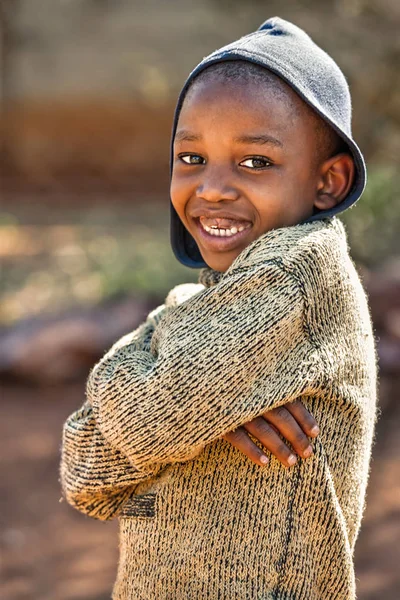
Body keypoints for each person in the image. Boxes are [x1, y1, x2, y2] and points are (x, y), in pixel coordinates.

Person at [60, 17, 378, 599]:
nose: (211, 189)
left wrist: (165, 389)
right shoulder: (211, 302)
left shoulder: (295, 270)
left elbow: (139, 420)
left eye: (255, 162)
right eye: (191, 157)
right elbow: (82, 477)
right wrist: (189, 381)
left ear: (328, 182)